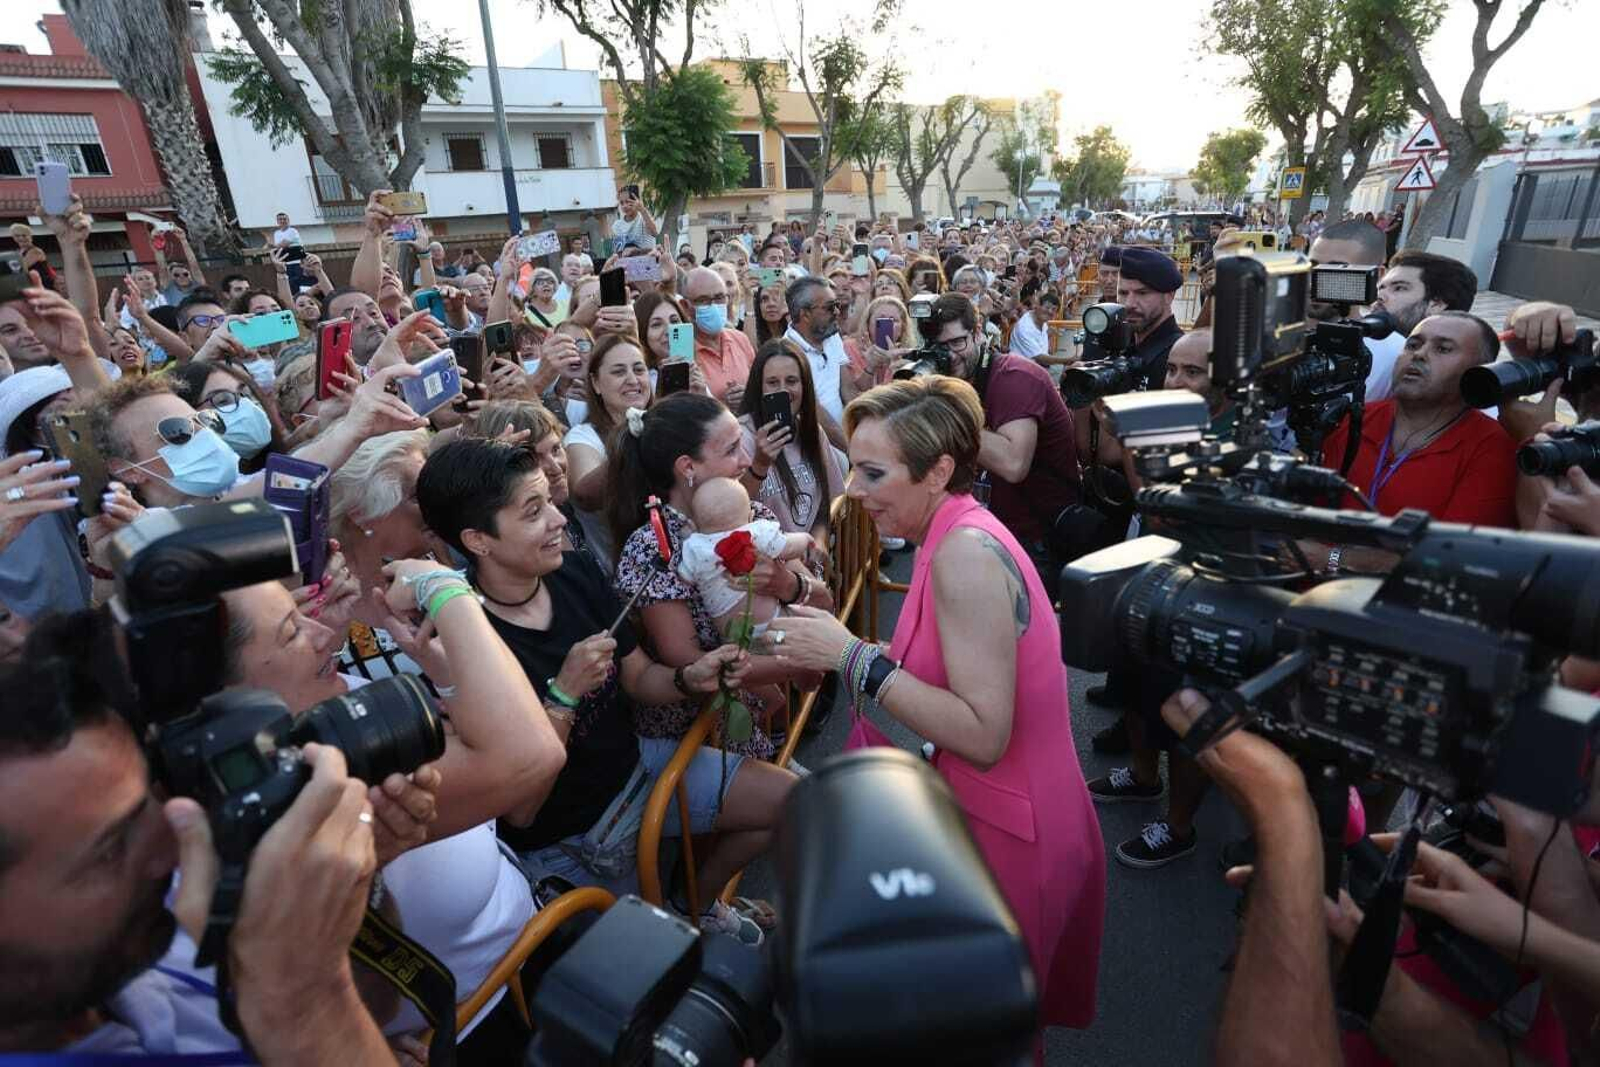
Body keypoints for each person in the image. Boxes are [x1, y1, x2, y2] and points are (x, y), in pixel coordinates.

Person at [763, 375, 1106, 1043]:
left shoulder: (965, 556)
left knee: (978, 1043)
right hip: (997, 813)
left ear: (938, 470)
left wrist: (852, 657)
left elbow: (982, 732)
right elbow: (951, 660)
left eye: (872, 471)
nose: (853, 491)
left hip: (1017, 831)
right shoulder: (947, 533)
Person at [415, 439, 790, 943]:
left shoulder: (573, 572)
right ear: (478, 540)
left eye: (549, 501)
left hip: (642, 772)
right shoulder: (460, 642)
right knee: (662, 966)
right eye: (533, 512)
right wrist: (563, 697)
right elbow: (520, 808)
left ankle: (695, 902)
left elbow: (637, 679)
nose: (557, 520)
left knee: (795, 800)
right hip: (571, 841)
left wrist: (689, 677)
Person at [0, 611, 397, 1062]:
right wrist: (306, 1008)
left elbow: (378, 1010)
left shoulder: (120, 959)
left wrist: (355, 892)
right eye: (110, 851)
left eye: (150, 803)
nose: (174, 849)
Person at [608, 393, 833, 762]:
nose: (747, 460)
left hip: (750, 721)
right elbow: (687, 659)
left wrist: (785, 583)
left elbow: (824, 600)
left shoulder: (747, 511)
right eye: (731, 450)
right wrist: (811, 657)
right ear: (687, 467)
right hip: (697, 741)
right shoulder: (654, 547)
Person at [1307, 311, 1518, 573]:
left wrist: (1331, 559)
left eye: (1443, 348)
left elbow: (1451, 558)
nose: (1419, 355)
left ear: (1478, 372)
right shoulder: (1353, 418)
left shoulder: (1493, 448)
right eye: (1413, 344)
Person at [916, 293, 1080, 596]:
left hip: (1031, 540)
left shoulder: (1015, 377)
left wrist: (944, 406)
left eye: (957, 343)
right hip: (982, 530)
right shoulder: (955, 379)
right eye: (938, 348)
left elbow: (1013, 464)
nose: (949, 356)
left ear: (978, 333)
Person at [736, 340, 847, 546]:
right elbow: (729, 513)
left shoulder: (811, 431)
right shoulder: (741, 437)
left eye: (791, 381)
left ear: (804, 386)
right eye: (772, 382)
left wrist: (820, 541)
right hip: (766, 564)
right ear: (758, 387)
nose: (783, 390)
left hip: (810, 561)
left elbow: (826, 501)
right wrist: (759, 465)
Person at [680, 475, 814, 641]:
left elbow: (685, 578)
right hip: (771, 623)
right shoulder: (756, 532)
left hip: (730, 634)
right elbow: (788, 547)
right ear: (751, 516)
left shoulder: (694, 547)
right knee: (805, 626)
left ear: (695, 525)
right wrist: (806, 539)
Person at [565, 334, 654, 559]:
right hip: (623, 578)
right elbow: (584, 494)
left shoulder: (666, 425)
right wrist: (632, 437)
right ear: (595, 383)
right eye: (618, 372)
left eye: (639, 369)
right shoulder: (583, 436)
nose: (633, 380)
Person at [1308, 219, 1412, 402]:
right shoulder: (1269, 334)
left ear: (1376, 275)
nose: (1313, 282)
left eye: (1334, 269)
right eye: (1312, 266)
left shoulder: (1397, 354)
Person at [783, 277, 850, 449]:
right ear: (804, 314)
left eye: (837, 305)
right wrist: (851, 451)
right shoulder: (787, 355)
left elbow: (848, 389)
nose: (837, 311)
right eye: (830, 307)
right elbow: (814, 412)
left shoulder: (831, 334)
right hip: (816, 446)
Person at [683, 267, 756, 407]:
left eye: (719, 298)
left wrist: (748, 397)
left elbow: (759, 388)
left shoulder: (740, 340)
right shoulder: (683, 352)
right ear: (686, 306)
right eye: (703, 300)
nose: (714, 306)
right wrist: (722, 405)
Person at [1008, 290, 1055, 360]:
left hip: (1040, 366)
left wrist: (1047, 336)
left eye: (1054, 309)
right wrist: (1067, 360)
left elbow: (1047, 351)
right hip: (1023, 368)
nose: (1050, 311)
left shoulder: (1042, 320)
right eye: (1047, 307)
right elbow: (1040, 359)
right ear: (1037, 305)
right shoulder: (1024, 327)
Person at [611, 186, 658, 253]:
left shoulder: (644, 218)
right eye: (621, 203)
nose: (625, 206)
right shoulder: (617, 225)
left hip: (648, 261)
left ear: (637, 201)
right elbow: (617, 252)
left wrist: (642, 210)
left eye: (628, 202)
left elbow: (654, 233)